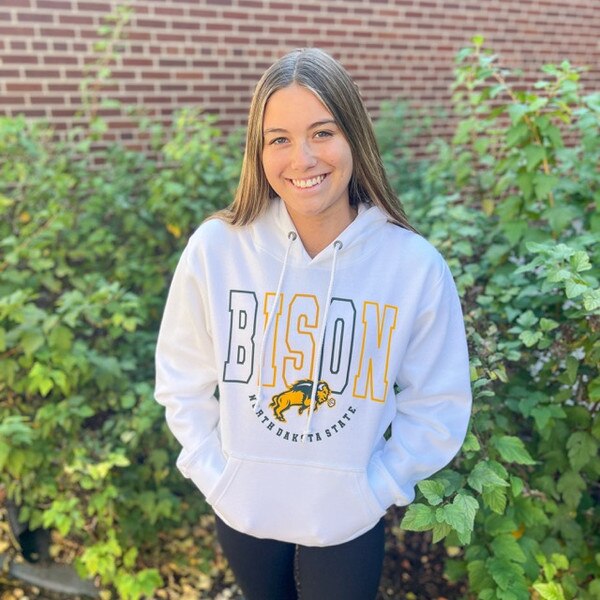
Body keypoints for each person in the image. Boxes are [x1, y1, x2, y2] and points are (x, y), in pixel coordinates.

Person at [154, 47, 472, 600]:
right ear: (258, 151)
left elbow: (438, 403)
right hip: (244, 509)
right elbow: (182, 378)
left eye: (322, 132)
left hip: (347, 521)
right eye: (278, 139)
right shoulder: (217, 250)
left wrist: (376, 487)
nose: (301, 158)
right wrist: (216, 474)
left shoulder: (412, 266)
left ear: (354, 137)